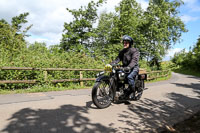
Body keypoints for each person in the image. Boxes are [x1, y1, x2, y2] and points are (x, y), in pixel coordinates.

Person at [111, 35, 140, 100]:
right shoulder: (122, 52)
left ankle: (131, 92)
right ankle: (116, 91)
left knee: (129, 77)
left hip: (133, 68)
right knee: (116, 75)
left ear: (130, 43)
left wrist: (129, 67)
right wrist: (111, 64)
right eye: (124, 42)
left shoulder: (134, 50)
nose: (125, 43)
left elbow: (134, 60)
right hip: (125, 68)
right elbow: (117, 59)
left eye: (126, 42)